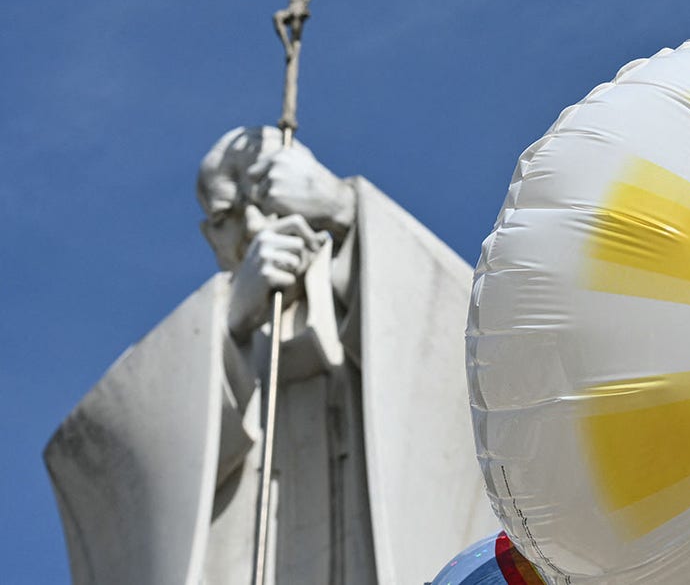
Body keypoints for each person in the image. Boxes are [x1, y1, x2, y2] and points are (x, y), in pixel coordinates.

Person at [45, 126, 494, 584]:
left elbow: (479, 364)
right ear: (211, 235)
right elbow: (101, 462)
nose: (257, 226)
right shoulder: (174, 360)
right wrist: (230, 323)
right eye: (230, 216)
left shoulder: (385, 290)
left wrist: (344, 208)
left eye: (270, 197)